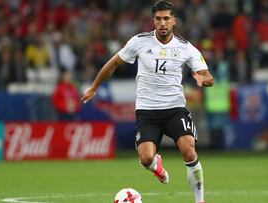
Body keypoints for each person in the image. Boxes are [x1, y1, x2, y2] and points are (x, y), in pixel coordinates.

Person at [81, 1, 214, 202]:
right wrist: (94, 87)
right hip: (147, 111)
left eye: (166, 18)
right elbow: (114, 63)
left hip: (175, 109)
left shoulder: (186, 48)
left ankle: (200, 200)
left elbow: (208, 77)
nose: (162, 23)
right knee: (145, 159)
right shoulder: (139, 42)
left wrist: (203, 79)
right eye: (158, 18)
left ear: (174, 21)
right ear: (153, 21)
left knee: (188, 149)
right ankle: (156, 167)